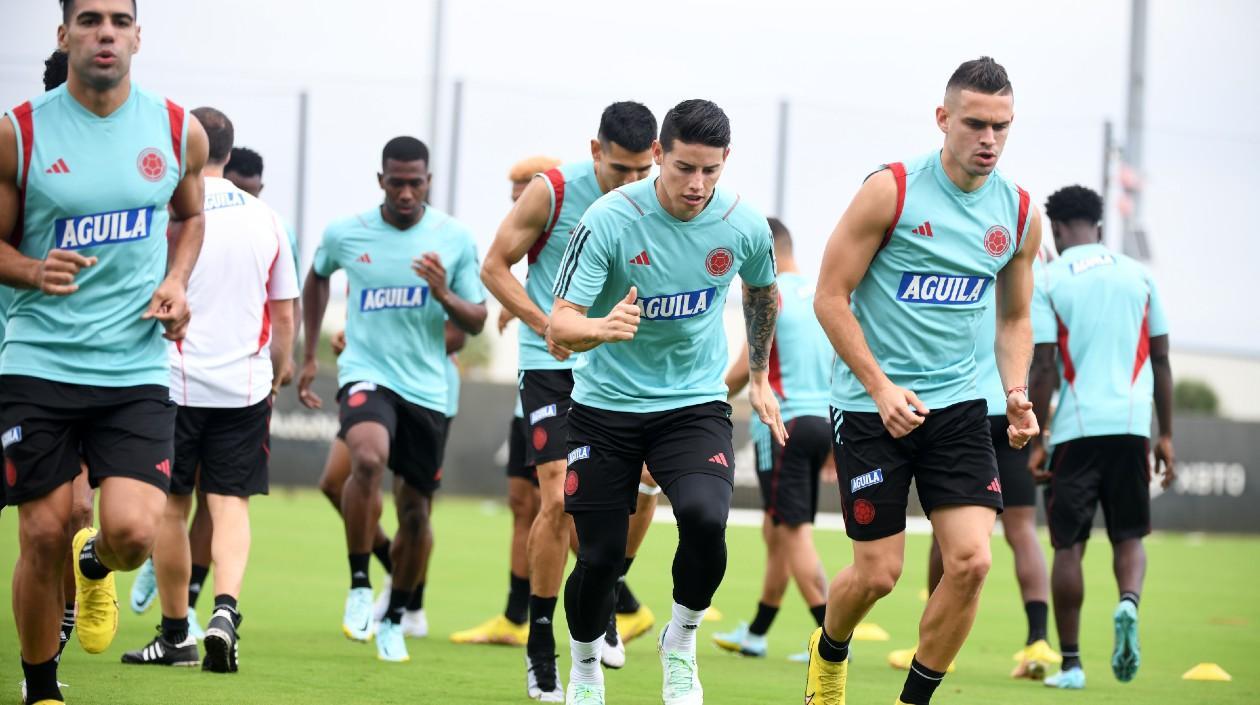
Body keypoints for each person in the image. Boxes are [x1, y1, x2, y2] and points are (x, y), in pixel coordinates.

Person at [805, 57, 1041, 705]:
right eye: (975, 124)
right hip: (868, 407)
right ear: (943, 119)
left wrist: (1017, 393)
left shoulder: (1020, 212)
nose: (988, 139)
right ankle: (829, 655)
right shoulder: (893, 190)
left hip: (960, 408)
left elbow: (1015, 317)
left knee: (972, 561)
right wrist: (880, 386)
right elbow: (829, 296)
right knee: (878, 573)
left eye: (1002, 126)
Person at [0, 1, 209, 702]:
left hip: (134, 365)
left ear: (138, 37)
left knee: (130, 532)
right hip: (38, 361)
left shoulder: (179, 130)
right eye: (89, 19)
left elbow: (189, 216)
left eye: (119, 19)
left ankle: (96, 568)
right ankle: (42, 687)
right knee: (43, 528)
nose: (106, 32)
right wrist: (31, 269)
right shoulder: (19, 133)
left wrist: (177, 282)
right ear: (64, 36)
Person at [549, 98, 783, 705]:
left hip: (693, 405)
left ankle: (679, 644)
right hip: (605, 408)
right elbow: (558, 327)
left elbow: (761, 292)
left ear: (726, 160)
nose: (697, 184)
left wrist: (757, 374)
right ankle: (583, 669)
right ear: (658, 155)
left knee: (707, 520)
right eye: (683, 168)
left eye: (710, 169)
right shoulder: (607, 220)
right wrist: (601, 328)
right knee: (600, 557)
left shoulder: (743, 225)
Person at [480, 103, 658, 700]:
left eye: (642, 170)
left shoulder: (667, 196)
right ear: (594, 151)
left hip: (625, 368)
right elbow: (495, 267)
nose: (632, 183)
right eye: (619, 169)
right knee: (557, 495)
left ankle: (607, 592)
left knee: (645, 487)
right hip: (553, 364)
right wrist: (542, 324)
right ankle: (538, 643)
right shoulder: (551, 193)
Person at [119, 107, 297, 673]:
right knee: (230, 507)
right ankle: (224, 611)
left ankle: (176, 636)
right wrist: (282, 366)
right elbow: (284, 312)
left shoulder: (165, 212)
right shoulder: (266, 217)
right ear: (229, 149)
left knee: (173, 510)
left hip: (171, 382)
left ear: (184, 146)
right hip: (244, 386)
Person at [298, 136, 487, 663]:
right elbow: (316, 277)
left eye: (416, 183)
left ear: (429, 182)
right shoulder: (346, 232)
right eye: (396, 182)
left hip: (427, 388)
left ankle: (398, 615)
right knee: (365, 458)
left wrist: (443, 291)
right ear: (380, 180)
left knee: (415, 516)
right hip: (366, 372)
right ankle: (360, 584)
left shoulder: (452, 238)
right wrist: (312, 353)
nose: (406, 192)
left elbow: (475, 320)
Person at [887, 240, 1061, 679]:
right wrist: (1034, 420)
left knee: (944, 536)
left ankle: (931, 641)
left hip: (960, 410)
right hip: (1010, 408)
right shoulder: (1030, 286)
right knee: (1022, 531)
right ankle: (1038, 641)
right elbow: (1042, 360)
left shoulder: (964, 271)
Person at [1028, 185, 1175, 690]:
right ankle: (1128, 603)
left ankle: (1070, 665)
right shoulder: (1140, 275)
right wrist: (1167, 436)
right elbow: (1160, 359)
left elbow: (1044, 363)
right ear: (1099, 226)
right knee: (1129, 536)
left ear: (1058, 230)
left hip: (1077, 428)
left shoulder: (1049, 279)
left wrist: (1037, 438)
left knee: (1068, 546)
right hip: (1134, 426)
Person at [450, 155, 558, 650]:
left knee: (559, 505)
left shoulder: (574, 227)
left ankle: (618, 601)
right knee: (523, 504)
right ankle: (516, 616)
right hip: (529, 395)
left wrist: (537, 320)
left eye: (524, 187)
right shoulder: (528, 238)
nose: (517, 197)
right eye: (513, 188)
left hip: (565, 387)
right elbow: (504, 274)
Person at [714, 217, 832, 662]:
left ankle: (832, 636)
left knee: (793, 532)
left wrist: (702, 402)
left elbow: (747, 368)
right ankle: (758, 632)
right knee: (776, 529)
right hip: (823, 423)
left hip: (785, 426)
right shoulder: (821, 295)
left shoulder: (771, 295)